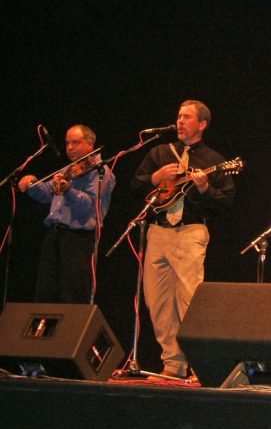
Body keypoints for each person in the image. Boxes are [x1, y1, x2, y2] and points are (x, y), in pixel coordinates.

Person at [130, 100, 236, 379]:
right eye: (178, 116)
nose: (179, 122)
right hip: (158, 231)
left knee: (191, 301)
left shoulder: (214, 160)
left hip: (190, 232)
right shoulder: (159, 152)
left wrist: (205, 188)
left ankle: (201, 366)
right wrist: (154, 177)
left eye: (186, 117)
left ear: (202, 124)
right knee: (158, 302)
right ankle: (173, 364)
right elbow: (134, 185)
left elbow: (226, 202)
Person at [18, 124, 115, 303]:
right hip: (55, 234)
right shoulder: (69, 170)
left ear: (90, 144)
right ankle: (43, 329)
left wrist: (68, 190)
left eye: (76, 142)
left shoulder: (101, 173)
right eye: (67, 143)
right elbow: (48, 193)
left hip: (78, 238)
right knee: (46, 290)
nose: (70, 148)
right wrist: (32, 184)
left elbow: (90, 207)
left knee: (73, 292)